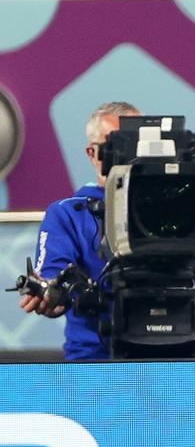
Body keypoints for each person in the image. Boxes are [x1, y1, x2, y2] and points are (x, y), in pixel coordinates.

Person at [17, 101, 139, 360]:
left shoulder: (183, 209)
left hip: (182, 359)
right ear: (92, 153)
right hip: (96, 363)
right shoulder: (68, 214)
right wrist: (51, 294)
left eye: (136, 144)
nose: (127, 156)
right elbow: (52, 281)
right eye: (114, 147)